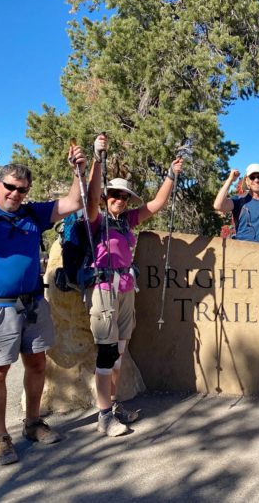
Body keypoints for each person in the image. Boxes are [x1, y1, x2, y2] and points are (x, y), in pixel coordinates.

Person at [0, 143, 86, 465]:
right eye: (10, 187)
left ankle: (32, 423)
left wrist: (77, 170)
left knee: (37, 364)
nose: (16, 194)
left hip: (32, 303)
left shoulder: (32, 214)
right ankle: (0, 437)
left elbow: (73, 202)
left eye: (22, 190)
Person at [86, 134, 183, 437]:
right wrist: (97, 159)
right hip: (102, 289)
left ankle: (113, 406)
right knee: (105, 353)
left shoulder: (127, 221)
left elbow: (157, 203)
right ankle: (103, 417)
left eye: (123, 196)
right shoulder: (94, 219)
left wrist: (171, 174)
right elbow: (89, 197)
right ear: (106, 197)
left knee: (119, 352)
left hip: (127, 288)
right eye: (113, 195)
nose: (118, 200)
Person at [213, 163, 259, 245]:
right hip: (241, 253)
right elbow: (218, 206)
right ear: (247, 182)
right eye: (252, 177)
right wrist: (230, 180)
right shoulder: (239, 200)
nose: (256, 180)